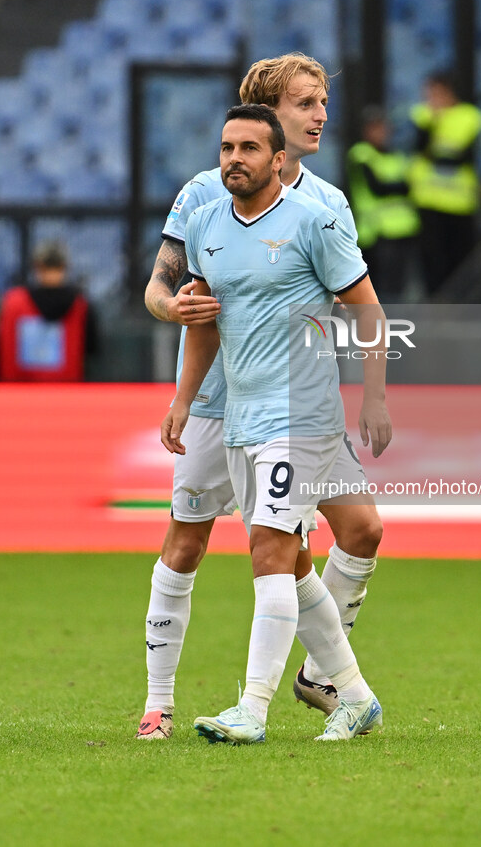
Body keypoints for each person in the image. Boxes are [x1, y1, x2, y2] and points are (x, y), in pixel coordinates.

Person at [137, 54, 384, 741]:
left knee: (345, 532)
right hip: (221, 404)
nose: (321, 114)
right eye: (306, 101)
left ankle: (303, 685)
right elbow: (165, 291)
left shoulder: (325, 206)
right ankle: (159, 702)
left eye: (322, 100)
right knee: (193, 543)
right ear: (270, 112)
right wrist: (171, 313)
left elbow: (353, 300)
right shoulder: (201, 198)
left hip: (293, 407)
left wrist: (365, 389)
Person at [409, 71, 481, 299]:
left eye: (436, 92)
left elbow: (461, 156)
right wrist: (433, 121)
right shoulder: (423, 115)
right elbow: (421, 149)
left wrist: (437, 153)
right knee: (431, 260)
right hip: (428, 199)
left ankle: (461, 304)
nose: (431, 98)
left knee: (459, 259)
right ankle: (435, 306)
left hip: (459, 201)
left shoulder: (469, 116)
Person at [346, 105, 420, 302]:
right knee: (379, 286)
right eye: (374, 127)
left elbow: (412, 186)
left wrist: (401, 186)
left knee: (398, 285)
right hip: (377, 231)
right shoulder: (361, 154)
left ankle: (393, 326)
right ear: (366, 131)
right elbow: (378, 188)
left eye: (383, 127)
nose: (380, 132)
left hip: (404, 228)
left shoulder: (397, 156)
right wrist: (401, 186)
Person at [0, 241, 98, 381]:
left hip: (18, 393)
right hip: (66, 391)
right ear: (65, 267)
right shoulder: (80, 305)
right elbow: (91, 349)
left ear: (37, 267)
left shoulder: (13, 303)